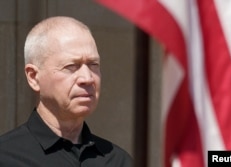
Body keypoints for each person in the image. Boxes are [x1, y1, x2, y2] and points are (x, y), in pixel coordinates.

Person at [0, 16, 132, 167]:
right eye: (71, 66)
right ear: (34, 77)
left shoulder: (118, 161)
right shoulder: (6, 157)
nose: (87, 78)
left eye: (93, 64)